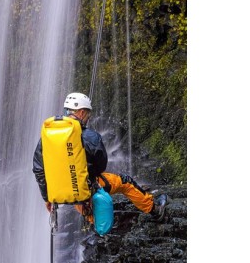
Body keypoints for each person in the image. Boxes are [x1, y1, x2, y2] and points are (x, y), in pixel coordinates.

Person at [32, 92, 166, 220]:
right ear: (82, 112)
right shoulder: (90, 136)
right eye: (88, 114)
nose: (88, 118)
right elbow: (101, 165)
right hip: (84, 189)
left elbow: (38, 169)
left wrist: (47, 198)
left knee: (81, 197)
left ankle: (94, 224)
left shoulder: (47, 137)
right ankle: (155, 210)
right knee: (125, 182)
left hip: (59, 193)